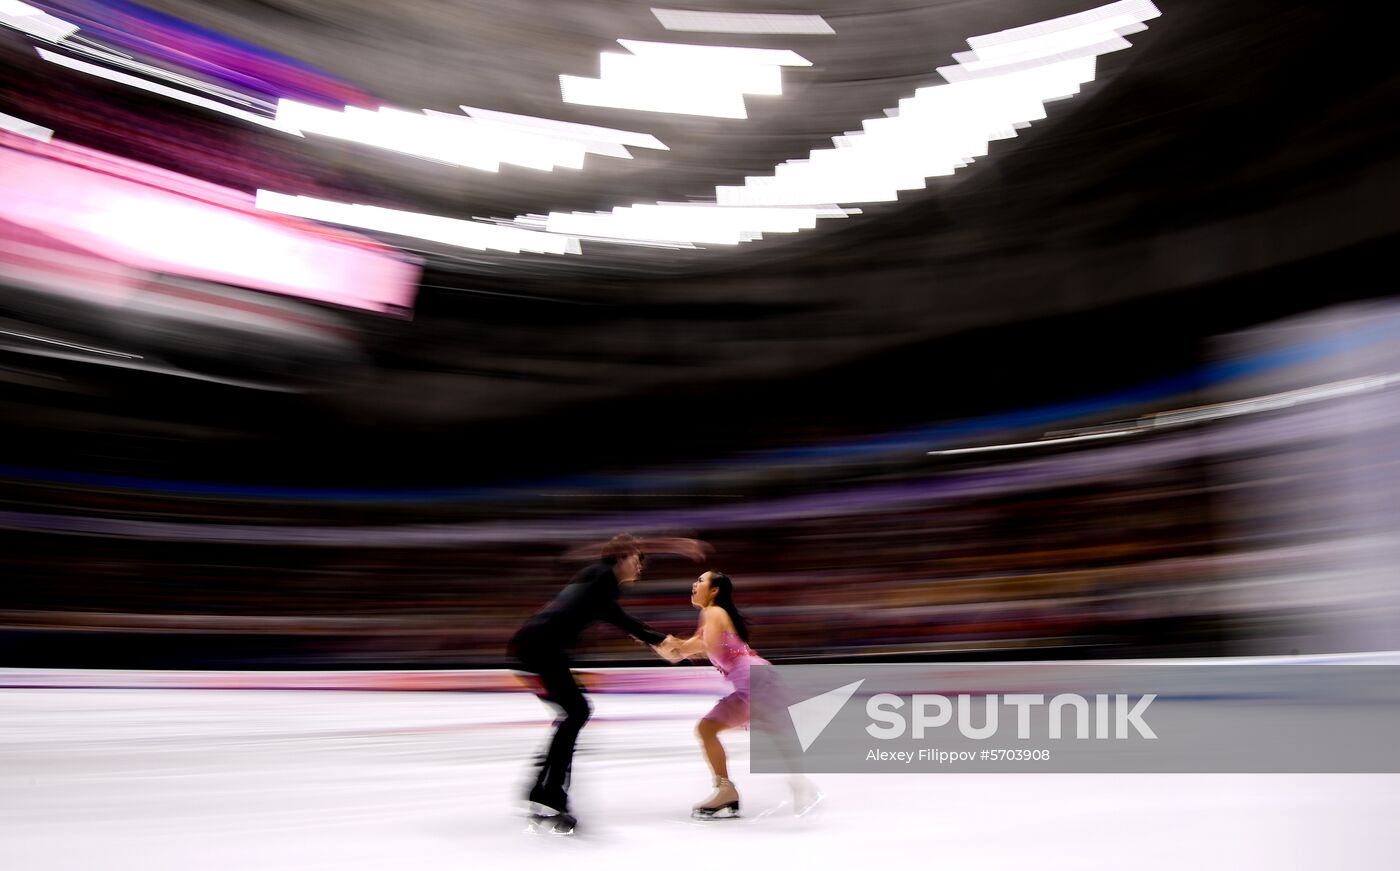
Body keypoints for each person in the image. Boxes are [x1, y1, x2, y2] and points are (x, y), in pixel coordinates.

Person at [508, 533, 703, 833]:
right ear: (623, 557)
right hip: (539, 647)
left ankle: (542, 789)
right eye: (638, 560)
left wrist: (660, 643)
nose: (640, 567)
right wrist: (673, 545)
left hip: (536, 646)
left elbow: (614, 617)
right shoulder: (601, 579)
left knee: (573, 713)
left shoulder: (595, 579)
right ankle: (548, 794)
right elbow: (621, 619)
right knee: (576, 712)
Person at [664, 570, 820, 820]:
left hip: (756, 682)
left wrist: (678, 646)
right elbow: (684, 650)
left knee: (763, 730)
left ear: (714, 591)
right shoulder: (711, 617)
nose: (694, 584)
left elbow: (706, 645)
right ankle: (731, 790)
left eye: (701, 581)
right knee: (712, 729)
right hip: (755, 681)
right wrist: (668, 646)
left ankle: (792, 784)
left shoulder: (713, 612)